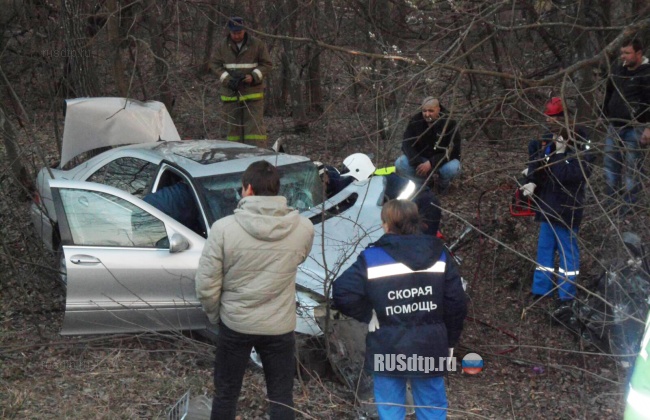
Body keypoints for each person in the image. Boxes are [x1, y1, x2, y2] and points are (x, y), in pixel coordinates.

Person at [195, 161, 315, 420]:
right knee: (282, 397)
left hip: (236, 324)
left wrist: (217, 316)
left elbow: (206, 285)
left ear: (247, 189)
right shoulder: (303, 228)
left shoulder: (224, 229)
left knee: (226, 393)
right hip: (280, 326)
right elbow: (299, 258)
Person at [333, 199, 467, 420]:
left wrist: (368, 314)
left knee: (390, 409)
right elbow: (456, 302)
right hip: (429, 347)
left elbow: (341, 291)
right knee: (432, 409)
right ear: (416, 222)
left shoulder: (373, 257)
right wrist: (450, 341)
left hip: (387, 346)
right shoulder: (440, 254)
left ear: (386, 224)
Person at [520, 118, 593, 309]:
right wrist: (532, 179)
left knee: (568, 255)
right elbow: (543, 169)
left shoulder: (582, 157)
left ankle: (566, 295)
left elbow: (564, 176)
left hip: (566, 214)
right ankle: (540, 289)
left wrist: (559, 155)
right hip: (549, 210)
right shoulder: (553, 151)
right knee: (544, 252)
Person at [602, 37, 650, 212]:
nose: (623, 56)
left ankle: (629, 206)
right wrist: (605, 113)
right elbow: (609, 92)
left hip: (636, 127)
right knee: (610, 164)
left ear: (638, 53)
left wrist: (648, 128)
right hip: (614, 125)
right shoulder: (617, 71)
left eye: (627, 53)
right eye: (622, 52)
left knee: (632, 167)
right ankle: (610, 202)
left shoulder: (646, 73)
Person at [211, 17, 273, 147]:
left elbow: (267, 64)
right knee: (233, 130)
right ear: (230, 31)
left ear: (244, 30)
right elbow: (215, 65)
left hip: (253, 95)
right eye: (234, 33)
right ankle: (234, 156)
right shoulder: (222, 46)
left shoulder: (257, 44)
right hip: (230, 94)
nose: (236, 36)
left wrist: (253, 76)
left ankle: (256, 154)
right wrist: (228, 79)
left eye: (239, 32)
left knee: (254, 129)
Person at [395, 97, 462, 194]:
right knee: (400, 162)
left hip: (442, 161)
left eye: (431, 111)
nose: (427, 114)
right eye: (424, 111)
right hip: (421, 159)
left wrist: (432, 162)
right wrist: (417, 162)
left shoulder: (449, 123)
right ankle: (423, 185)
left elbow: (454, 151)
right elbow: (406, 144)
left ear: (438, 109)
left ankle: (442, 186)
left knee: (453, 167)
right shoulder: (415, 121)